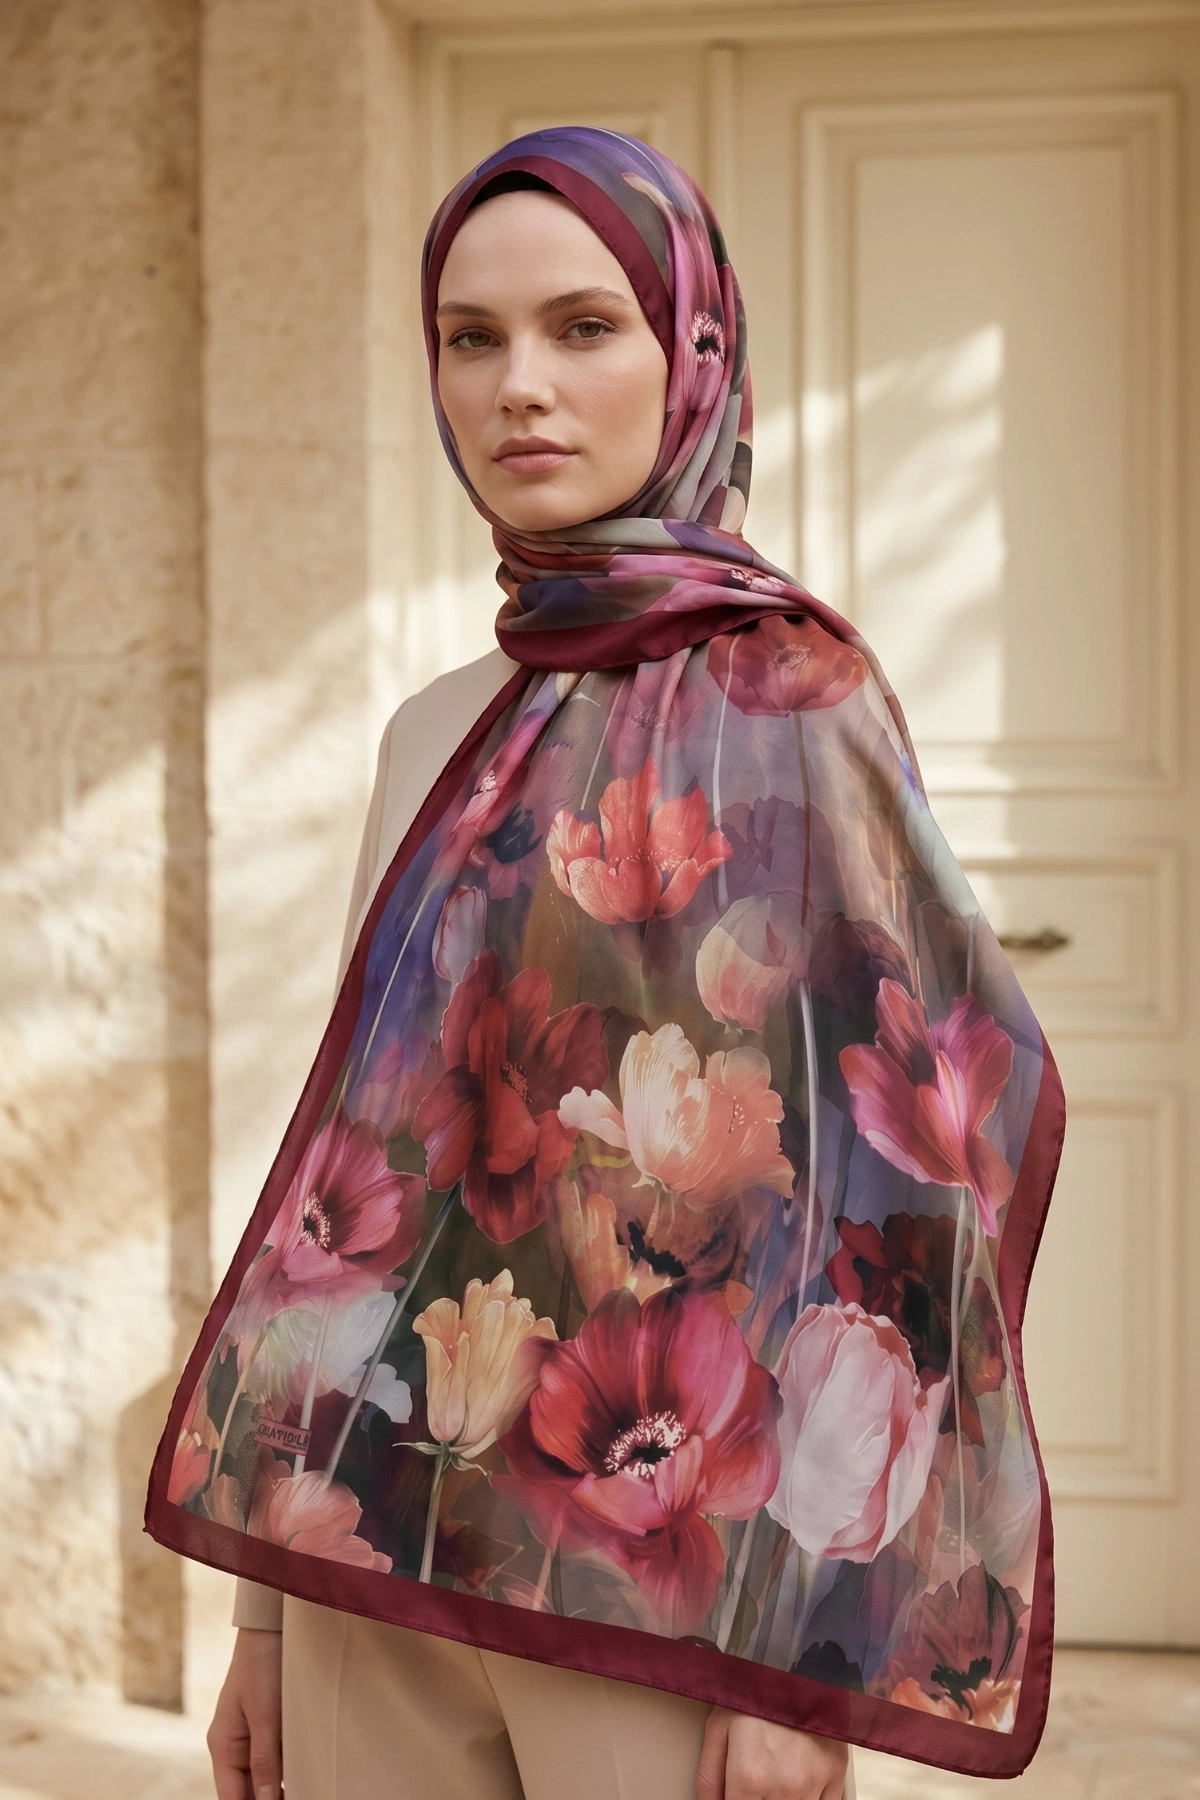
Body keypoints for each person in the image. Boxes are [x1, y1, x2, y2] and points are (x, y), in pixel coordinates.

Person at [148, 129, 1061, 1800]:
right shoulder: (436, 730)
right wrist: (264, 1615)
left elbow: (890, 1209)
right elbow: (356, 1176)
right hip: (381, 1561)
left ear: (693, 353)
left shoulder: (797, 709)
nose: (520, 387)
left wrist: (802, 1671)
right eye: (472, 337)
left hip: (666, 1601)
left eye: (583, 328)